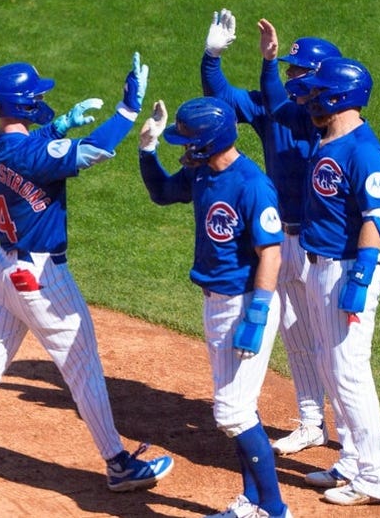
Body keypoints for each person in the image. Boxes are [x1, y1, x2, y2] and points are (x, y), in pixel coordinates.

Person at [0, 54, 176, 493]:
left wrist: (59, 126)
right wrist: (127, 110)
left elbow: (32, 149)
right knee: (83, 367)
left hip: (4, 268)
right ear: (21, 104)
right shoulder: (35, 157)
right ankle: (118, 463)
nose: (44, 100)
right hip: (41, 279)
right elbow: (96, 149)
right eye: (37, 96)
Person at [138, 96, 292, 518]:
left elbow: (272, 255)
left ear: (211, 140)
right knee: (242, 408)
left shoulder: (252, 185)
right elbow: (163, 193)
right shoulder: (202, 173)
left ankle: (276, 509)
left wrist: (256, 316)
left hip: (246, 306)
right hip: (216, 306)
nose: (183, 148)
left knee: (231, 412)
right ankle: (252, 502)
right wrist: (147, 150)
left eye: (189, 141)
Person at [200, 8, 342, 455]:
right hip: (281, 242)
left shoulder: (331, 121)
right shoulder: (271, 110)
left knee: (333, 346)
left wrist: (268, 69)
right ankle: (311, 423)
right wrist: (211, 57)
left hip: (324, 248)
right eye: (289, 69)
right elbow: (218, 100)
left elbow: (284, 101)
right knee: (298, 339)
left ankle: (355, 441)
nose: (293, 76)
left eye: (300, 70)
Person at [276, 57, 380, 505]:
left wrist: (360, 278)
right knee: (331, 369)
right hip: (320, 269)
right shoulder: (330, 137)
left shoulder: (364, 151)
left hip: (347, 272)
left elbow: (378, 219)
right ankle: (352, 459)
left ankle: (375, 476)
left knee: (349, 375)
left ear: (337, 98)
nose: (307, 98)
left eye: (315, 93)